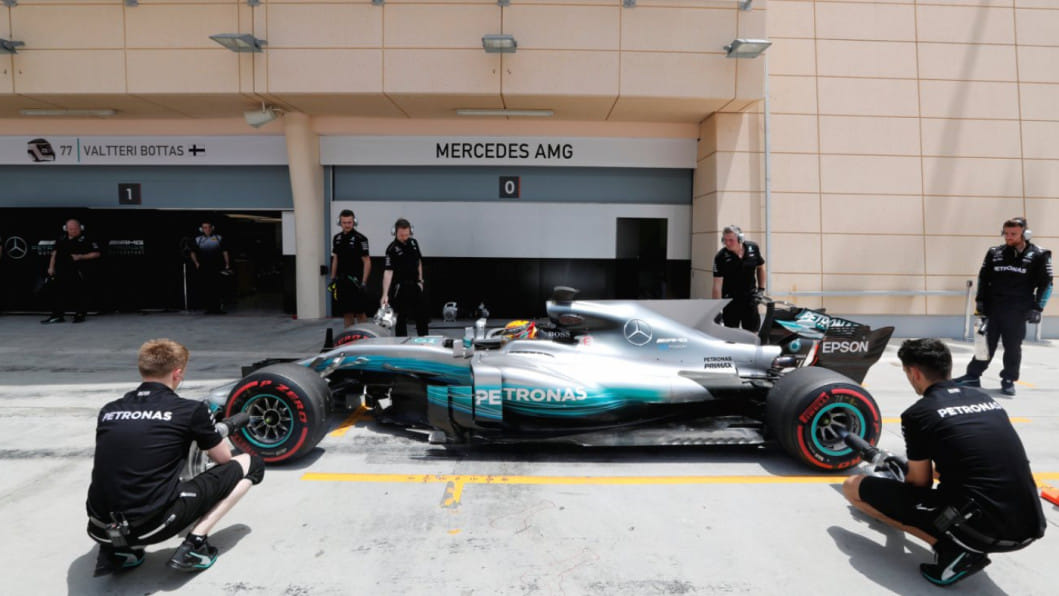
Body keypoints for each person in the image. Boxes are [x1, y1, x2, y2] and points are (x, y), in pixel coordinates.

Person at [842, 338, 1044, 587]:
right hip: (1031, 524)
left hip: (986, 532)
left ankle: (953, 550)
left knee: (853, 487)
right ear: (948, 367)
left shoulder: (919, 414)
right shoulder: (985, 399)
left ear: (915, 373)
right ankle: (962, 542)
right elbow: (970, 463)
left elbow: (919, 485)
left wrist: (898, 479)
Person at [85, 339, 264, 576]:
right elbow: (223, 459)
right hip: (151, 528)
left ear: (143, 369)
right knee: (250, 463)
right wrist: (212, 430)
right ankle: (195, 544)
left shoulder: (109, 410)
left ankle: (119, 551)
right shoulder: (190, 410)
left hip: (99, 528)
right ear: (178, 373)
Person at [954, 217, 1052, 396]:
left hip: (1017, 309)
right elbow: (983, 278)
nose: (1008, 237)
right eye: (1005, 233)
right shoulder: (994, 252)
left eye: (1013, 234)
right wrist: (980, 302)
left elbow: (1047, 284)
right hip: (993, 307)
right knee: (984, 343)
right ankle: (973, 376)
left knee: (1012, 346)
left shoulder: (1039, 254)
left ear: (1025, 234)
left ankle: (1008, 379)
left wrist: (1038, 308)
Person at [41, 218, 101, 324]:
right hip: (62, 270)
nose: (73, 231)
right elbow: (54, 253)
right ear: (66, 229)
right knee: (57, 292)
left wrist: (80, 256)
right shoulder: (62, 238)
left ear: (80, 228)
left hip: (79, 270)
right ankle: (57, 315)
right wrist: (51, 267)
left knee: (79, 293)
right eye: (70, 229)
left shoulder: (87, 238)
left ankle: (80, 314)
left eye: (75, 228)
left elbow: (96, 253)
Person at [712, 224, 766, 331]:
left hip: (750, 299)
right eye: (725, 240)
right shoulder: (720, 257)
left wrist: (761, 289)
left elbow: (760, 268)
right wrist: (716, 310)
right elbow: (717, 285)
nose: (727, 243)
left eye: (731, 240)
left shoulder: (753, 248)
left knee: (752, 333)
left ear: (740, 238)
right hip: (730, 301)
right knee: (731, 335)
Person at [381, 218, 429, 337]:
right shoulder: (391, 249)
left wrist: (420, 280)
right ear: (395, 232)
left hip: (415, 284)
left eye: (407, 235)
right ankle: (401, 342)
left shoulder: (413, 243)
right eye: (401, 235)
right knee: (401, 317)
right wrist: (385, 294)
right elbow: (388, 271)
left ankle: (424, 339)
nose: (404, 237)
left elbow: (418, 261)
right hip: (400, 287)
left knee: (422, 315)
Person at [330, 209, 372, 327]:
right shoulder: (337, 238)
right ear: (340, 223)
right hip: (342, 281)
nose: (347, 225)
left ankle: (364, 335)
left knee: (360, 312)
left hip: (356, 281)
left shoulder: (361, 238)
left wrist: (364, 282)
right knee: (347, 312)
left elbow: (367, 261)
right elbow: (336, 258)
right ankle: (349, 337)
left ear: (354, 222)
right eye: (344, 222)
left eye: (349, 222)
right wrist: (333, 278)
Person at [190, 221, 231, 314]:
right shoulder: (198, 239)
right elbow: (192, 252)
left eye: (208, 227)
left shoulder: (218, 238)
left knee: (217, 287)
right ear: (202, 229)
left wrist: (227, 263)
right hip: (204, 267)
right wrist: (196, 263)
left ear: (212, 228)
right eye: (205, 227)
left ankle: (218, 309)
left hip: (217, 266)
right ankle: (209, 308)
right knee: (206, 288)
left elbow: (225, 251)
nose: (207, 229)